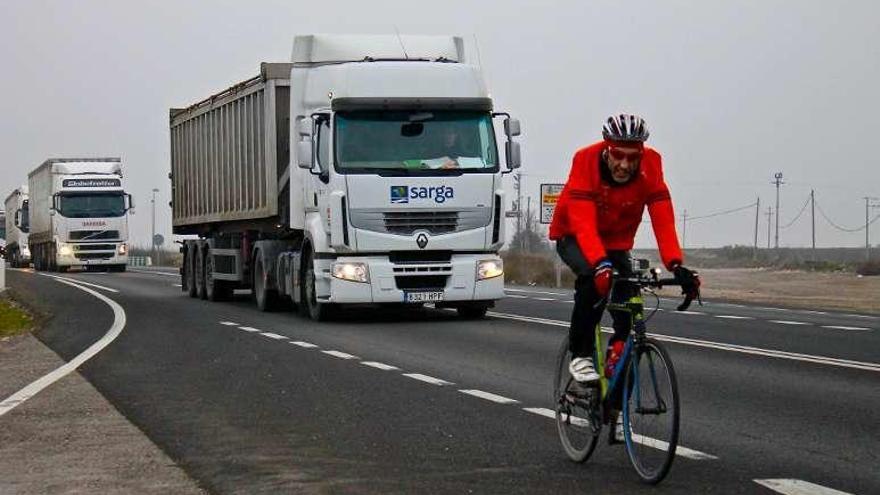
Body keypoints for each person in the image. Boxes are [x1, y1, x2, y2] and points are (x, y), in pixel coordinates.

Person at [549, 114, 700, 383]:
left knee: (626, 306)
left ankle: (616, 369)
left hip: (616, 243)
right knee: (591, 280)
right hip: (573, 235)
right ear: (607, 149)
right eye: (618, 155)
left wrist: (676, 265)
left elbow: (662, 217)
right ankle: (580, 355)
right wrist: (598, 263)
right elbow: (582, 221)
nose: (624, 164)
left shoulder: (651, 165)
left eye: (633, 157)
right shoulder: (585, 160)